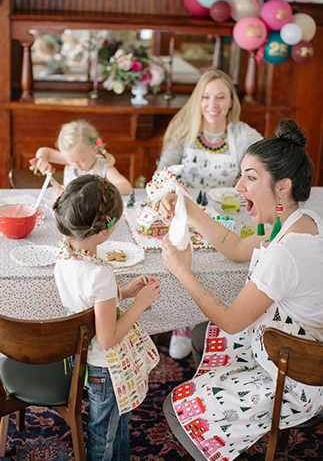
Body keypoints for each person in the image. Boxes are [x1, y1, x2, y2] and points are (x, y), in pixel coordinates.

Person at [160, 119, 323, 461]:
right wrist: (186, 207)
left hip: (298, 376)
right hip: (291, 346)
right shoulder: (303, 223)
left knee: (177, 409)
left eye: (250, 177)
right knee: (204, 336)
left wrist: (182, 271)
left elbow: (232, 321)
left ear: (282, 187)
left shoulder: (284, 253)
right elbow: (234, 247)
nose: (238, 187)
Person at [53, 174, 161, 461]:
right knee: (105, 433)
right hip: (105, 366)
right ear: (105, 229)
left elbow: (87, 300)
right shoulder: (99, 273)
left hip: (83, 356)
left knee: (117, 419)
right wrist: (140, 303)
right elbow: (109, 337)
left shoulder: (66, 252)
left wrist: (124, 292)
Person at [158, 69, 263, 358]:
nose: (212, 104)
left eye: (220, 96)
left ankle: (209, 320)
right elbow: (163, 173)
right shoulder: (184, 130)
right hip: (187, 215)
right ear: (197, 100)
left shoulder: (243, 134)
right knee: (187, 262)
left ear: (231, 102)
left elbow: (265, 168)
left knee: (228, 266)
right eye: (205, 97)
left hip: (231, 215)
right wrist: (168, 191)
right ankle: (182, 323)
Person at [34, 119, 132, 195]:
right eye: (72, 161)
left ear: (94, 149)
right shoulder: (71, 160)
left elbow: (126, 187)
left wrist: (100, 191)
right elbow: (44, 151)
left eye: (81, 160)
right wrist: (42, 159)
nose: (76, 165)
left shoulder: (104, 168)